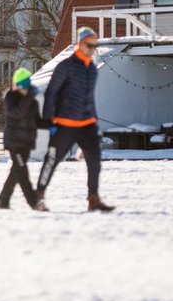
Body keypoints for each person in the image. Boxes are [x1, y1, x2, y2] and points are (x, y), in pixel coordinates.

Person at [35, 27, 114, 212]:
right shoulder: (66, 66)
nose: (92, 49)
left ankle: (93, 198)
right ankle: (38, 196)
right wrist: (49, 120)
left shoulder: (92, 69)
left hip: (87, 124)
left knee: (95, 161)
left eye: (95, 45)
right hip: (65, 124)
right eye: (89, 45)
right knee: (51, 161)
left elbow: (89, 98)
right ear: (80, 44)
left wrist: (94, 122)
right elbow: (51, 92)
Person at [0, 68, 50, 209]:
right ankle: (34, 203)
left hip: (27, 143)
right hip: (14, 143)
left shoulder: (32, 102)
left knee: (15, 173)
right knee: (23, 173)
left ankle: (3, 202)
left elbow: (37, 121)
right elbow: (17, 113)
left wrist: (52, 124)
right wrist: (28, 98)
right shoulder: (11, 98)